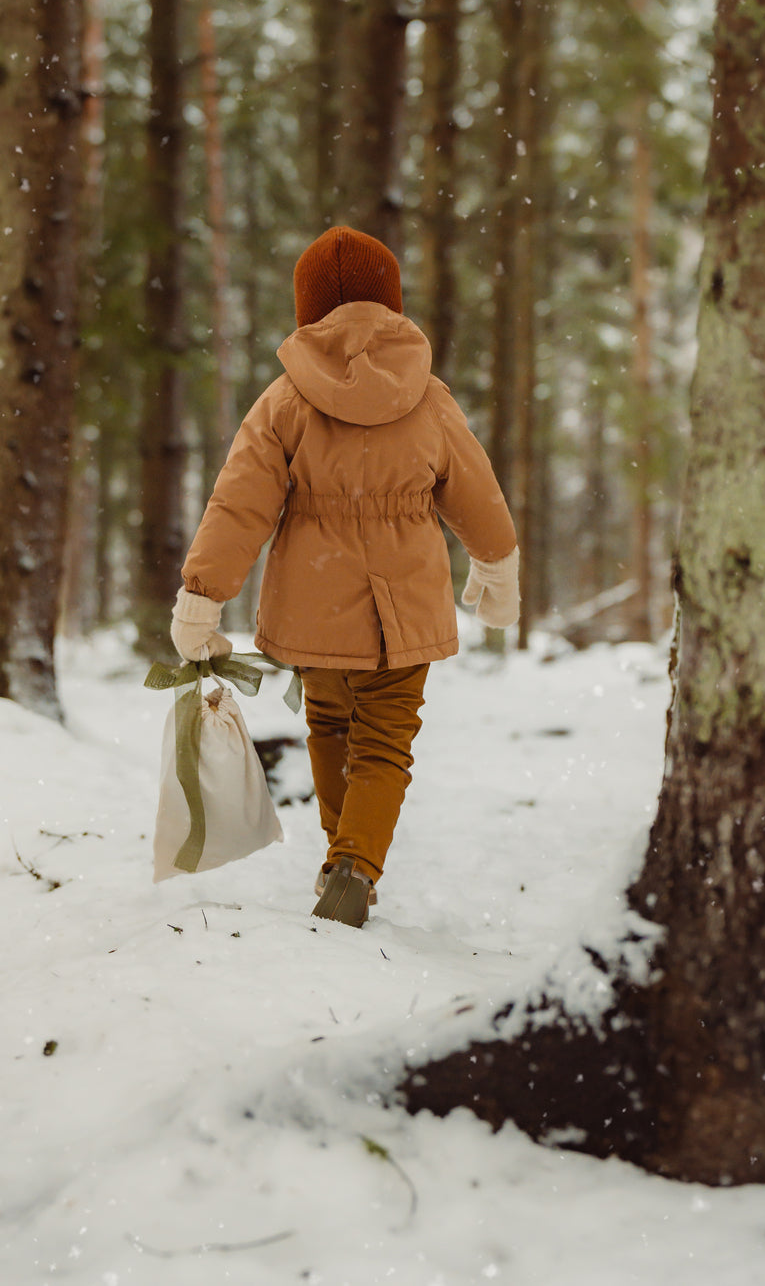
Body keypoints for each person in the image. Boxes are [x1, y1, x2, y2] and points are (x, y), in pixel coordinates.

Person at [170, 226, 519, 928]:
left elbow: (239, 504)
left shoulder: (283, 403)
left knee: (328, 725)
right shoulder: (429, 398)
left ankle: (340, 856)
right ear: (390, 304)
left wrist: (201, 597)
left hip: (311, 606)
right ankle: (355, 864)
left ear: (307, 310)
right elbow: (474, 491)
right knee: (386, 740)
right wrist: (497, 564)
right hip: (407, 607)